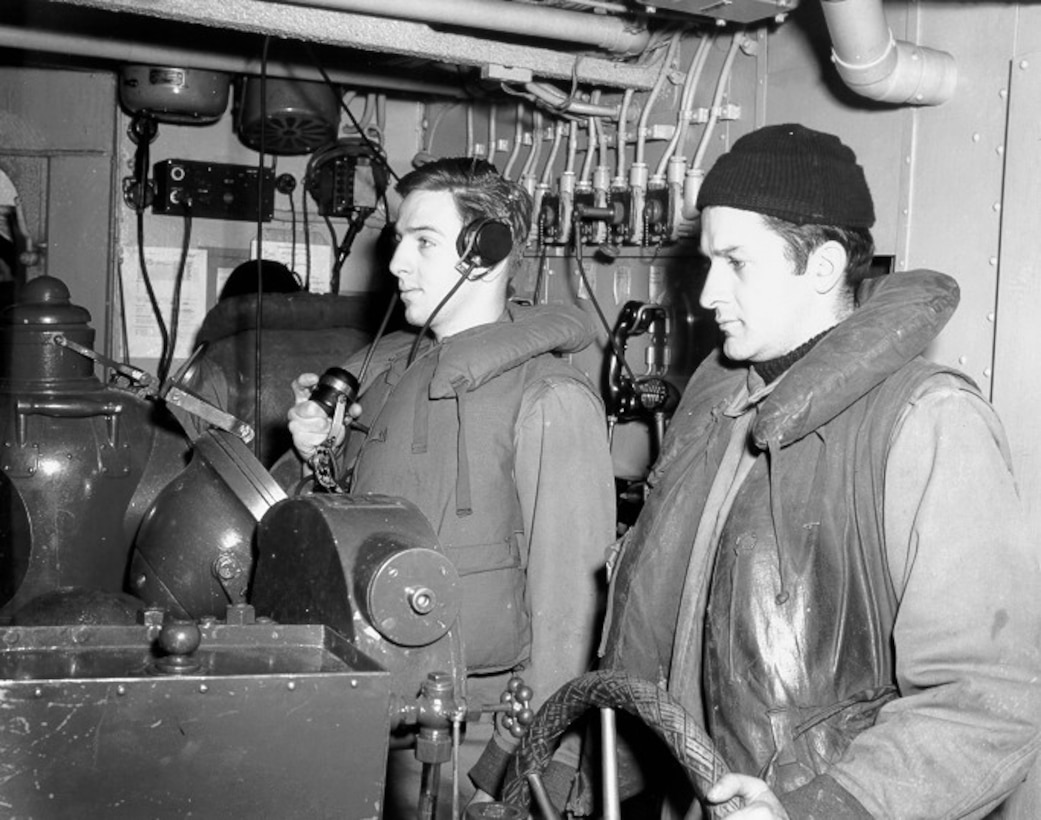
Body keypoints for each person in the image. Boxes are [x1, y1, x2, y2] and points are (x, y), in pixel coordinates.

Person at [599, 124, 1041, 818]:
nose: (707, 293)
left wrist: (819, 808)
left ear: (824, 267)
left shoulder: (926, 420)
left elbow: (985, 701)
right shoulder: (721, 405)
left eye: (735, 262)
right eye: (707, 261)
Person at [286, 157, 616, 817]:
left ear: (483, 250)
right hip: (375, 712)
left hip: (475, 739)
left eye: (424, 242)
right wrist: (312, 454)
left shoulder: (548, 396)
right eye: (399, 241)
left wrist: (505, 766)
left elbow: (568, 620)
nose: (397, 264)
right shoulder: (389, 378)